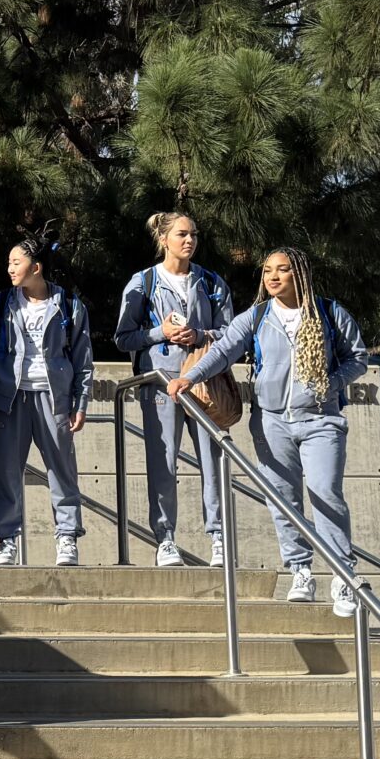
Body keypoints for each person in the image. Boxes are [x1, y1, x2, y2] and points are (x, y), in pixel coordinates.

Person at [169, 245, 370, 616]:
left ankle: (343, 575)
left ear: (300, 275)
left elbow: (359, 357)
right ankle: (301, 571)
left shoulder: (328, 312)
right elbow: (223, 349)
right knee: (283, 499)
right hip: (271, 421)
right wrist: (189, 377)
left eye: (282, 270)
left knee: (325, 492)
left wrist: (332, 382)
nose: (273, 277)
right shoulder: (258, 315)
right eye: (267, 271)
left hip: (320, 420)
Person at [117, 210, 233, 568]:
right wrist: (160, 333)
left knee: (212, 462)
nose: (190, 241)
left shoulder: (212, 282)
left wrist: (201, 335)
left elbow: (232, 335)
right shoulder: (144, 282)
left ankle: (218, 538)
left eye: (194, 234)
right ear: (163, 239)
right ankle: (165, 539)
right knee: (163, 462)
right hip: (161, 385)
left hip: (203, 383)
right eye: (182, 234)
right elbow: (123, 338)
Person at [0, 237, 93, 567]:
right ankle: (7, 541)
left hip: (54, 399)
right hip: (9, 400)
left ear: (36, 268)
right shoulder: (0, 306)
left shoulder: (69, 305)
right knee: (7, 472)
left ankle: (67, 538)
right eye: (9, 262)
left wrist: (80, 403)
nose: (9, 268)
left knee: (62, 470)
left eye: (16, 262)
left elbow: (84, 361)